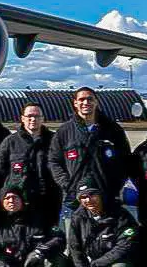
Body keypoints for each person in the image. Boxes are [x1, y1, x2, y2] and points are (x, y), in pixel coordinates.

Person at [48, 87, 133, 232]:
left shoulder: (113, 130)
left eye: (90, 99)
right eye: (81, 99)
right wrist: (67, 184)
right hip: (76, 199)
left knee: (107, 238)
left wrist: (114, 184)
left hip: (107, 197)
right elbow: (54, 161)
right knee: (76, 240)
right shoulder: (64, 132)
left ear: (96, 102)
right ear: (75, 103)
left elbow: (126, 160)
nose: (86, 102)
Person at [0, 102, 59, 228]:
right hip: (21, 202)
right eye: (29, 116)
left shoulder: (55, 140)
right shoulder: (10, 142)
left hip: (48, 200)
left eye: (37, 116)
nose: (33, 119)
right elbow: (1, 169)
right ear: (22, 118)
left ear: (42, 119)